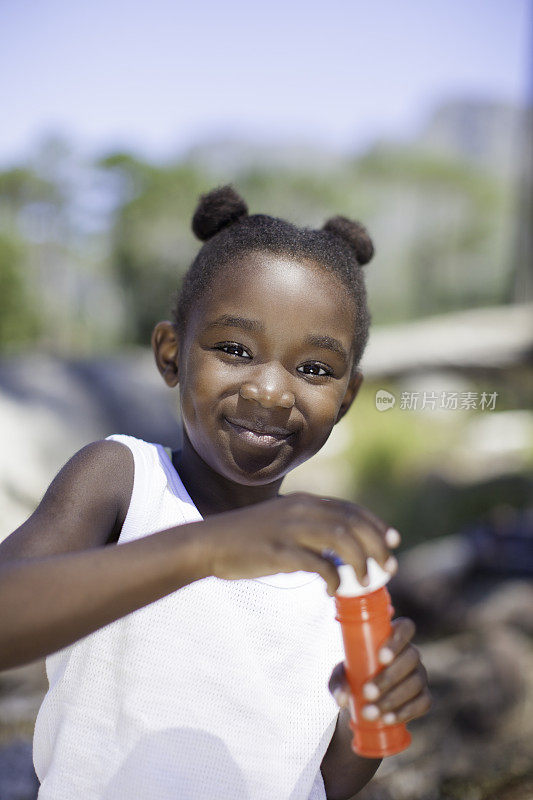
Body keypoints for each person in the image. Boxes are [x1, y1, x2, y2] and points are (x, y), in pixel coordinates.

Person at [0, 186, 431, 799]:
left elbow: (323, 781)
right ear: (171, 354)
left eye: (314, 369)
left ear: (347, 398)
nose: (272, 393)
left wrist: (369, 718)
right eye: (234, 350)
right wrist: (204, 549)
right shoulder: (123, 483)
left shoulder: (336, 565)